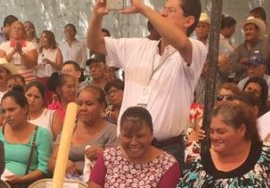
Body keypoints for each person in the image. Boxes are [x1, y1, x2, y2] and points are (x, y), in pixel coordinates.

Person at [87, 0, 208, 169]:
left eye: (171, 10)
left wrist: (143, 9)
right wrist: (97, 16)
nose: (163, 13)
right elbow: (95, 44)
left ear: (189, 21)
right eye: (163, 9)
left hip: (166, 148)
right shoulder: (139, 46)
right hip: (127, 145)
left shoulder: (196, 48)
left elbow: (181, 43)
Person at [82, 107, 180, 188]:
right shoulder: (108, 157)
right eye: (127, 136)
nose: (134, 142)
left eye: (140, 136)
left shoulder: (168, 164)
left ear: (151, 135)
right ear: (120, 135)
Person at [50, 84, 118, 179]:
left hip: (96, 186)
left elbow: (117, 165)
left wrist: (103, 155)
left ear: (102, 106)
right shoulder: (69, 128)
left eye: (89, 104)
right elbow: (52, 161)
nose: (83, 108)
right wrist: (62, 162)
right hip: (65, 185)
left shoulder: (112, 131)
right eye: (80, 104)